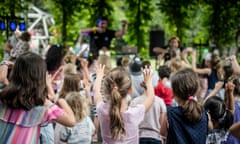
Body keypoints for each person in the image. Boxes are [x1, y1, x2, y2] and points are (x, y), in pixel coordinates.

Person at [0, 52, 75, 143]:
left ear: (15, 73)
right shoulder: (43, 104)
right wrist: (61, 100)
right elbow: (71, 121)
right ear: (40, 77)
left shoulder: (3, 96)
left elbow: (2, 78)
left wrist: (4, 63)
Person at [94, 65, 154, 143]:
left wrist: (99, 76)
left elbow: (96, 91)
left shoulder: (101, 109)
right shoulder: (134, 113)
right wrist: (148, 82)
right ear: (130, 90)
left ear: (106, 90)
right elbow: (151, 97)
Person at [161, 68, 209, 144]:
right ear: (196, 89)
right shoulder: (204, 115)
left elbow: (162, 135)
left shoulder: (169, 113)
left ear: (174, 92)